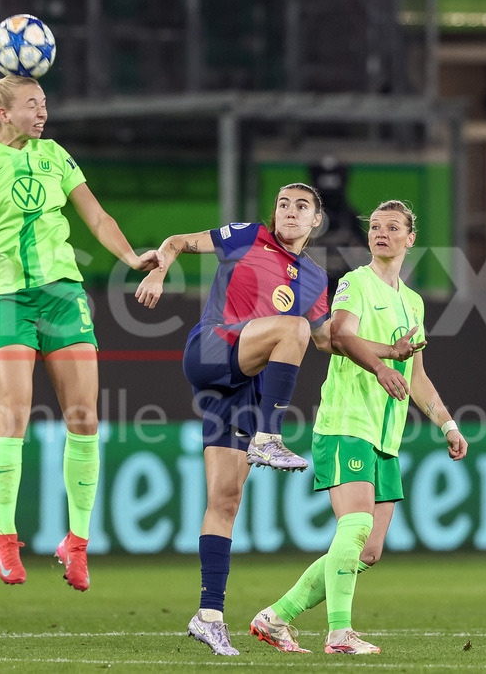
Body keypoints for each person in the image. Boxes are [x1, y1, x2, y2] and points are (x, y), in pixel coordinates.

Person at [135, 185, 423, 655]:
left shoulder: (312, 277)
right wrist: (162, 265)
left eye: (301, 207)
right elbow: (180, 241)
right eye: (284, 204)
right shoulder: (249, 236)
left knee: (225, 499)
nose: (290, 211)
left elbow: (329, 339)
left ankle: (209, 614)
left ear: (316, 222)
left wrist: (389, 352)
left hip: (243, 383)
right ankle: (270, 435)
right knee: (291, 328)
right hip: (212, 348)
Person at [0, 66, 162, 591]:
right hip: (6, 299)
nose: (43, 112)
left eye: (45, 103)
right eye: (34, 104)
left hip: (62, 295)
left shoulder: (56, 156)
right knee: (13, 418)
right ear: (4, 113)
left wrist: (130, 256)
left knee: (84, 419)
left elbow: (96, 217)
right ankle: (6, 539)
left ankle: (76, 544)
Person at [250, 200, 469, 655]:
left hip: (385, 435)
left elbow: (419, 377)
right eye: (375, 227)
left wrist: (447, 423)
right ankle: (339, 633)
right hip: (347, 422)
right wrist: (384, 363)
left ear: (410, 239)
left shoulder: (412, 302)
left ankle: (275, 618)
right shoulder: (355, 283)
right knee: (353, 526)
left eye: (393, 228)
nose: (381, 233)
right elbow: (341, 334)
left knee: (367, 551)